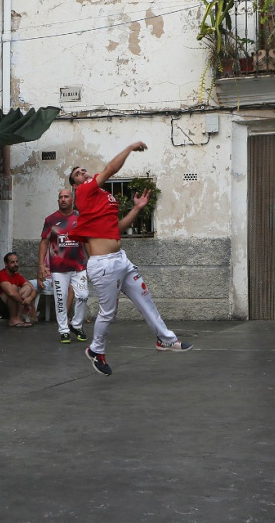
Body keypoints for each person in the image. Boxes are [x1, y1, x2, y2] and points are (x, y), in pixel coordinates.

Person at [69, 141, 191, 376]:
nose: (82, 172)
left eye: (83, 169)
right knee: (108, 313)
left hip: (120, 259)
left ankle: (166, 339)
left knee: (145, 298)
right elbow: (110, 170)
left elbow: (117, 227)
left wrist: (137, 209)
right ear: (75, 183)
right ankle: (96, 350)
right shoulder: (83, 192)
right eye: (77, 173)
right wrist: (129, 148)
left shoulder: (102, 196)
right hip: (103, 264)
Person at [39, 188, 89, 344]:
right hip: (58, 268)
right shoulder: (50, 220)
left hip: (79, 266)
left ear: (72, 200)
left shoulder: (80, 218)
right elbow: (44, 242)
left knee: (83, 295)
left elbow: (86, 241)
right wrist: (41, 265)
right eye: (60, 197)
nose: (63, 199)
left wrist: (93, 260)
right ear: (58, 201)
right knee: (61, 299)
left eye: (66, 197)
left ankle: (76, 325)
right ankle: (64, 331)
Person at [0, 252, 38, 327]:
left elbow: (33, 290)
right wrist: (25, 303)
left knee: (28, 288)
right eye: (12, 262)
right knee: (13, 288)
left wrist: (29, 299)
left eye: (16, 262)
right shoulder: (1, 274)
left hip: (12, 306)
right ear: (6, 264)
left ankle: (17, 318)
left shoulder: (17, 275)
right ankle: (13, 319)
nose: (15, 264)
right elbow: (10, 293)